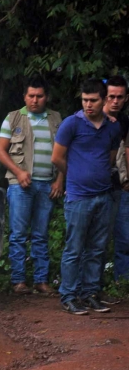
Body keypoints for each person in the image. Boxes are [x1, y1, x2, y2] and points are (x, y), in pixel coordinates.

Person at [52, 79, 121, 315]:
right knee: (74, 248)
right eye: (84, 100)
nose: (88, 105)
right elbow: (57, 158)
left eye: (93, 100)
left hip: (103, 196)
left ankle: (90, 293)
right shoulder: (71, 124)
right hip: (79, 197)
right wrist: (76, 176)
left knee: (97, 249)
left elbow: (110, 157)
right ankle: (68, 296)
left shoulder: (113, 127)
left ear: (103, 101)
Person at [0, 75, 63, 295]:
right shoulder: (13, 118)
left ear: (47, 97)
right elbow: (0, 151)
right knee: (18, 234)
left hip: (47, 185)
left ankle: (41, 281)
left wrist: (60, 180)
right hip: (19, 185)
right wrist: (18, 172)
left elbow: (64, 153)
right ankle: (18, 281)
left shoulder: (56, 119)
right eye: (31, 95)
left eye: (39, 96)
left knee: (41, 234)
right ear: (25, 96)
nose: (35, 100)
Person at [103, 76, 129, 295]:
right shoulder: (89, 119)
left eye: (120, 97)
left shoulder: (125, 122)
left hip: (121, 188)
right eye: (111, 96)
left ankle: (121, 285)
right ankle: (92, 286)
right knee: (94, 240)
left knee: (124, 238)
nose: (115, 101)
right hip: (95, 189)